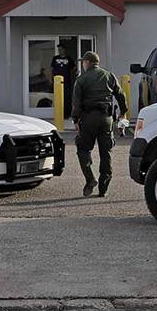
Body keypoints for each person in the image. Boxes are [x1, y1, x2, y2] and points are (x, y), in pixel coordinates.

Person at [71, 51, 127, 198]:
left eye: (83, 62)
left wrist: (75, 119)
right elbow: (121, 94)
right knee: (106, 152)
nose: (82, 64)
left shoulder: (81, 79)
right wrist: (123, 112)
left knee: (83, 149)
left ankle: (90, 179)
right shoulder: (109, 75)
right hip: (106, 119)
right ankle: (103, 189)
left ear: (88, 62)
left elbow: (76, 103)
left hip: (88, 119)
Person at [49, 44, 75, 118]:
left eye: (61, 49)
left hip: (66, 81)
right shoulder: (55, 58)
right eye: (59, 50)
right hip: (57, 82)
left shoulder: (69, 58)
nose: (60, 51)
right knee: (58, 97)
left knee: (66, 98)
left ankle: (67, 114)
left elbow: (73, 69)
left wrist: (73, 79)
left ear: (64, 50)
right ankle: (58, 114)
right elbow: (51, 69)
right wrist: (51, 79)